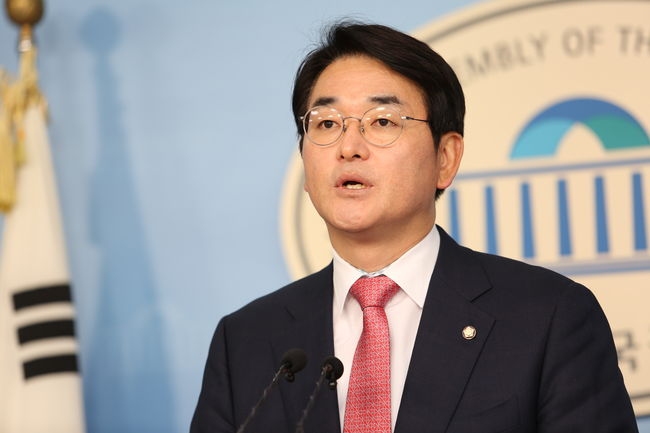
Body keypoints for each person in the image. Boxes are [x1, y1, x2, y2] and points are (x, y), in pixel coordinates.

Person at [190, 22, 638, 433]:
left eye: (382, 121)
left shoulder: (549, 317)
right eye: (326, 123)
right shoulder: (246, 341)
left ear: (445, 158)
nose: (349, 147)